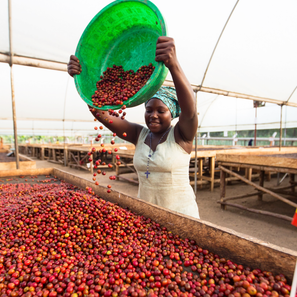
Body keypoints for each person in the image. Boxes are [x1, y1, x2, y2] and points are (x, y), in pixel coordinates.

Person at [67, 36, 200, 219]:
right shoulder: (139, 134)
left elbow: (191, 112)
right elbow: (101, 112)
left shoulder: (181, 135)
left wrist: (173, 65)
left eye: (161, 111)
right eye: (149, 110)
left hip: (183, 218)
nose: (153, 115)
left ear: (172, 114)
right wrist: (83, 78)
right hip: (147, 216)